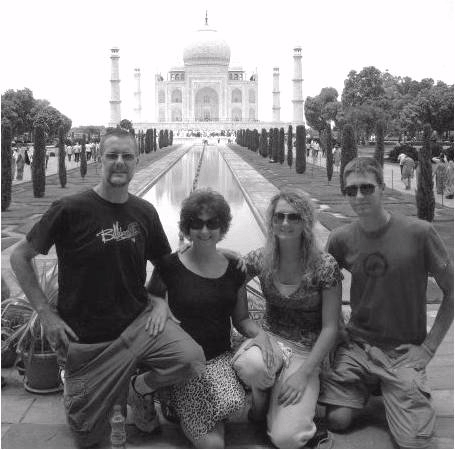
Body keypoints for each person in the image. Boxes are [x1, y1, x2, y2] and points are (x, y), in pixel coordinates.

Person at [10, 128, 205, 448]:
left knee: (191, 359)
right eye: (112, 155)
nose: (119, 162)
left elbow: (165, 263)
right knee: (88, 438)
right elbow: (19, 256)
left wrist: (157, 300)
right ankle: (79, 385)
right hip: (88, 340)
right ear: (99, 158)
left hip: (138, 325)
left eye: (127, 156)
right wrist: (46, 314)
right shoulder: (70, 209)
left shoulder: (144, 211)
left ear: (136, 161)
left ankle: (137, 389)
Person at [319, 157, 453, 448]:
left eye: (366, 188)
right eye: (351, 190)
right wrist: (338, 328)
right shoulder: (341, 239)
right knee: (337, 421)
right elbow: (319, 285)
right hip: (358, 347)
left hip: (402, 351)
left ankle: (392, 385)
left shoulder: (419, 233)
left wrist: (428, 349)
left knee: (414, 441)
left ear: (381, 187)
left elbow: (451, 291)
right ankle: (374, 384)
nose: (358, 196)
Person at [145, 188, 270, 448]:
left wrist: (262, 336)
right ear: (186, 227)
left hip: (218, 359)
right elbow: (150, 298)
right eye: (196, 224)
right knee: (213, 444)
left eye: (211, 223)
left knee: (233, 401)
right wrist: (157, 302)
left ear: (222, 226)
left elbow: (242, 319)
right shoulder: (169, 266)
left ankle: (182, 407)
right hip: (184, 362)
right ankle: (177, 400)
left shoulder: (235, 268)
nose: (204, 231)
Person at [232, 189, 342, 448]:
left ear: (305, 222)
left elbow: (330, 328)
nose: (285, 223)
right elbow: (231, 277)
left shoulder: (324, 266)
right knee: (251, 366)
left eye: (294, 217)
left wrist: (304, 374)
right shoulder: (261, 258)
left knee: (287, 439)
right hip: (270, 338)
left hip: (306, 351)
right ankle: (261, 402)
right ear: (271, 220)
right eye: (279, 216)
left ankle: (279, 397)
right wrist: (259, 336)